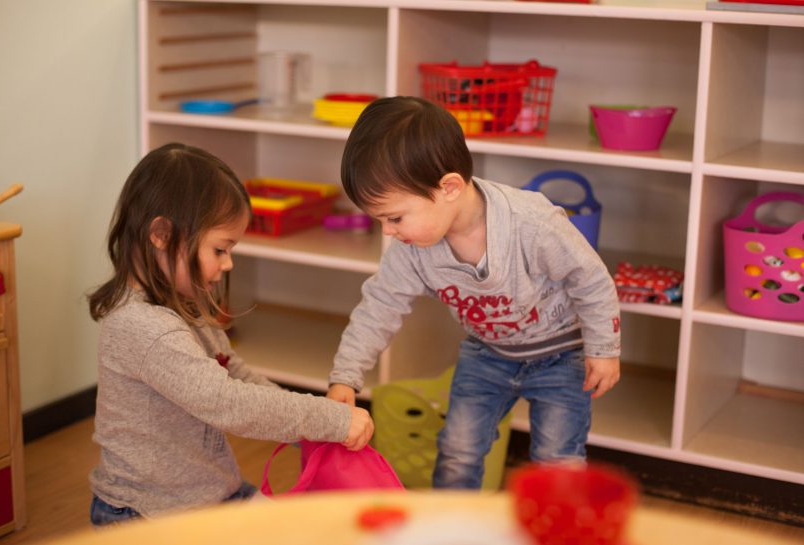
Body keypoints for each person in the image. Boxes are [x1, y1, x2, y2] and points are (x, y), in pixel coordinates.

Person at [326, 97, 621, 489]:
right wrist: (345, 378)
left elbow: (590, 278)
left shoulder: (531, 222)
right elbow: (379, 306)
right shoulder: (411, 250)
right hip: (487, 355)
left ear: (448, 187)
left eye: (394, 217)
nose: (388, 232)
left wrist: (604, 348)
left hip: (561, 356)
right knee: (457, 451)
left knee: (558, 462)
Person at [87, 143, 374, 524]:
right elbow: (226, 401)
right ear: (161, 234)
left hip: (211, 495)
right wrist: (327, 420)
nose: (228, 263)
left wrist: (307, 429)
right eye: (220, 249)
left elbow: (234, 372)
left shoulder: (181, 304)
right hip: (147, 515)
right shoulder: (143, 327)